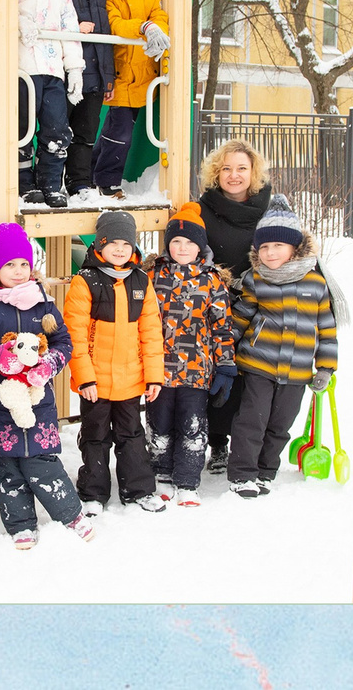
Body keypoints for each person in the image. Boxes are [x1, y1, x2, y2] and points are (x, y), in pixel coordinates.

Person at [0, 222, 92, 550]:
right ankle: (20, 525)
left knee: (42, 462)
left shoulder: (43, 304)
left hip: (38, 403)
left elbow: (64, 342)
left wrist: (49, 365)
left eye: (23, 263)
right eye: (9, 265)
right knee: (8, 470)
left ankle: (71, 514)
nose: (19, 271)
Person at [227, 195, 339, 498]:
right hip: (259, 363)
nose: (270, 252)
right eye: (263, 247)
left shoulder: (316, 283)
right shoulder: (256, 280)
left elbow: (327, 329)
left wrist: (326, 367)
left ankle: (265, 470)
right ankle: (242, 474)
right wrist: (224, 348)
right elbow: (241, 318)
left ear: (295, 247)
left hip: (298, 369)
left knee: (280, 423)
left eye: (277, 245)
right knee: (252, 419)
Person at [61, 211, 167, 515]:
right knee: (95, 437)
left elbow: (151, 332)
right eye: (112, 243)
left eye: (126, 243)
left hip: (132, 380)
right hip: (96, 382)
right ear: (99, 245)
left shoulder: (140, 281)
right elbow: (75, 334)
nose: (119, 249)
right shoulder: (86, 281)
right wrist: (85, 378)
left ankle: (139, 489)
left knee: (133, 436)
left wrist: (154, 377)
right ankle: (93, 492)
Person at [147, 202, 235, 504]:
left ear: (200, 247)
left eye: (190, 243)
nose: (182, 248)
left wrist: (225, 366)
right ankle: (161, 474)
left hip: (197, 371)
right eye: (176, 241)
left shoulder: (211, 281)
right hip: (159, 370)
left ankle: (187, 481)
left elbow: (223, 326)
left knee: (192, 425)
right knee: (159, 423)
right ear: (168, 244)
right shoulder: (153, 276)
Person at [192, 140, 275, 457]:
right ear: (216, 172)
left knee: (252, 379)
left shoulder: (269, 208)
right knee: (217, 374)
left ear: (253, 172)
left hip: (260, 304)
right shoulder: (203, 209)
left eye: (241, 168)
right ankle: (217, 444)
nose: (234, 175)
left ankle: (253, 446)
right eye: (226, 168)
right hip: (215, 305)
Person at [78, 0, 167, 202]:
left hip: (146, 76)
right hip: (120, 74)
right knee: (120, 133)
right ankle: (106, 181)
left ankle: (94, 172)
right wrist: (144, 27)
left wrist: (156, 27)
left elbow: (160, 16)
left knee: (116, 132)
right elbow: (115, 24)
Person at [11, 0, 86, 207]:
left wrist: (75, 68)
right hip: (22, 64)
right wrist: (20, 20)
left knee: (56, 127)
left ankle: (51, 183)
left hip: (53, 66)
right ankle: (24, 182)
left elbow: (68, 23)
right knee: (23, 127)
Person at [60, 0, 112, 187]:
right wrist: (73, 26)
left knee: (86, 132)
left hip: (94, 73)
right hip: (66, 68)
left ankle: (79, 183)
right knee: (57, 129)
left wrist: (108, 77)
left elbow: (105, 33)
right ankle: (50, 180)